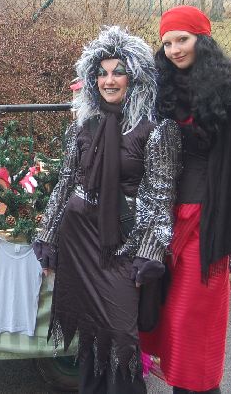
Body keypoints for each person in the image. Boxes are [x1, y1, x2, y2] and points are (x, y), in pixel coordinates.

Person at [34, 26, 181, 393]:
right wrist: (47, 235)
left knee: (121, 333)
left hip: (122, 244)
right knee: (90, 332)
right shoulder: (83, 126)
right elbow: (66, 183)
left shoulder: (156, 129)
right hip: (79, 240)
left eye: (118, 72)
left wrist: (150, 252)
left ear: (136, 77)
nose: (109, 80)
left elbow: (161, 195)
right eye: (101, 73)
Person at [140, 6, 231, 394]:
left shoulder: (229, 92)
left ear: (203, 39)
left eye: (182, 39)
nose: (174, 50)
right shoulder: (161, 86)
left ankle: (198, 386)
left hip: (206, 221)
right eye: (167, 42)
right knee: (164, 315)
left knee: (193, 319)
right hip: (163, 217)